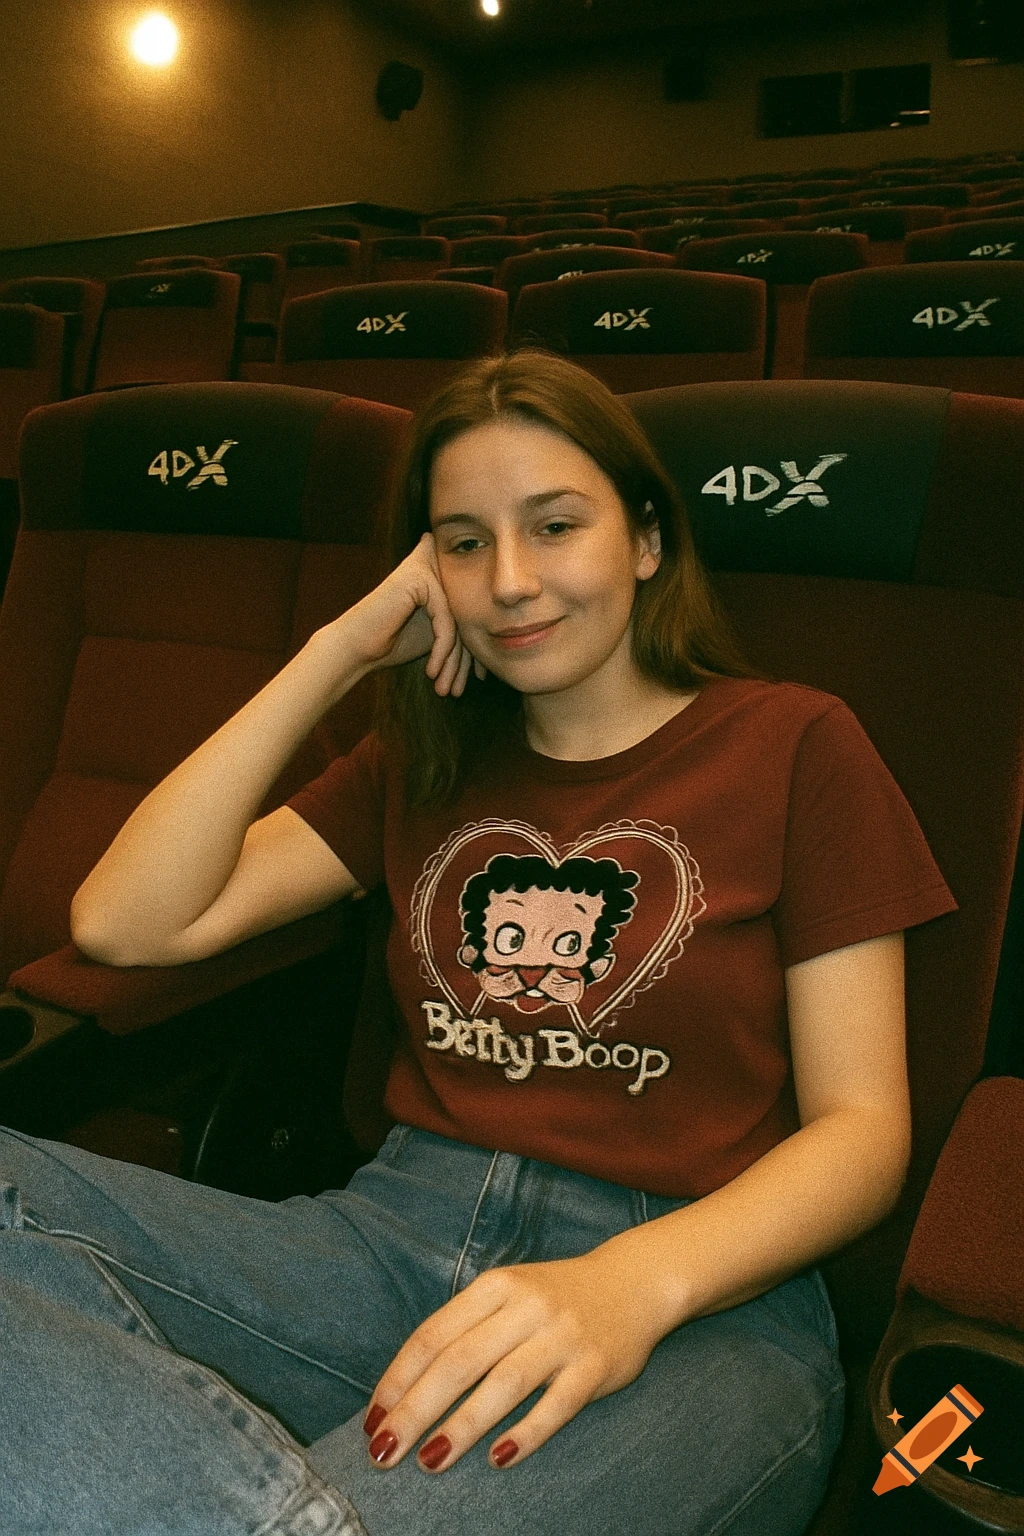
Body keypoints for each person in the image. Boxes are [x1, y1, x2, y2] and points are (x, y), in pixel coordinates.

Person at [0, 350, 956, 1536]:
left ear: (647, 541)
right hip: (386, 1245)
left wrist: (622, 1289)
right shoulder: (424, 756)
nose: (508, 580)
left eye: (554, 525)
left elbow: (864, 1135)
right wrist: (337, 653)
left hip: (696, 1302)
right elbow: (127, 922)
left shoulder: (795, 743)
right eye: (462, 541)